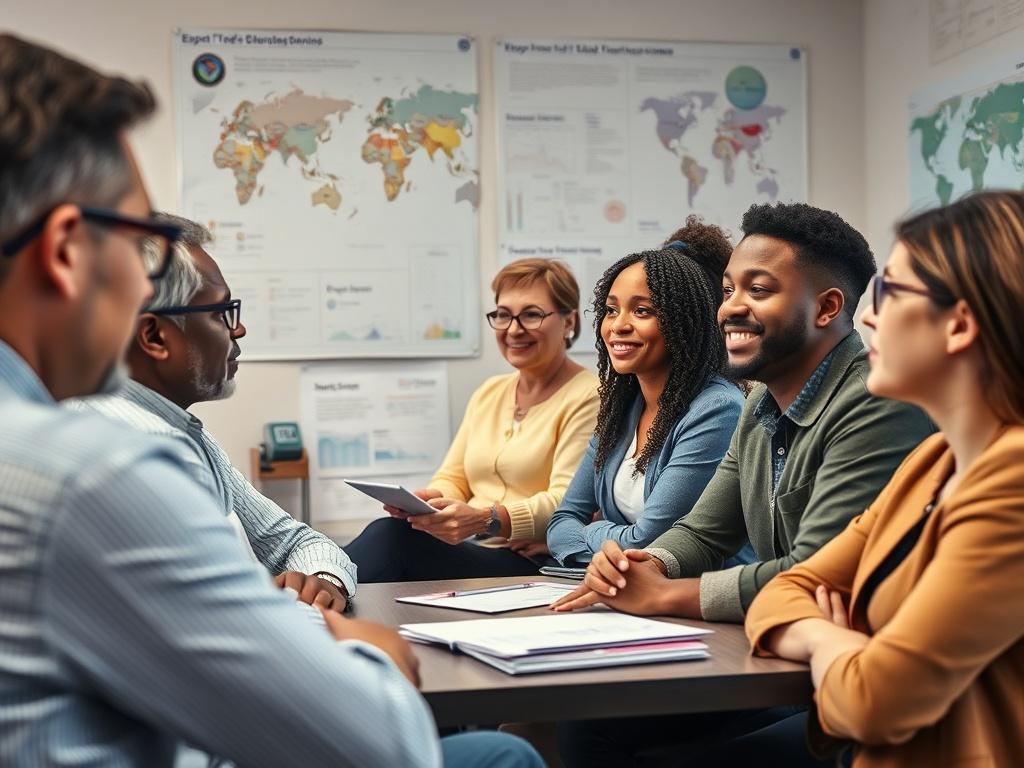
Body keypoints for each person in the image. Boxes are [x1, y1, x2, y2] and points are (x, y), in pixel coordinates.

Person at [0, 33, 541, 768]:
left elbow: (291, 547)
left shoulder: (138, 442)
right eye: (144, 245)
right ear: (66, 252)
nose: (137, 287)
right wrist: (364, 647)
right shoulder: (89, 471)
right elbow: (377, 744)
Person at [551, 202, 935, 767]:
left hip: (859, 676)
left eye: (758, 290)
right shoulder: (759, 403)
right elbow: (703, 534)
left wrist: (666, 593)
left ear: (828, 307)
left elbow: (816, 571)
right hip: (786, 652)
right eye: (728, 289)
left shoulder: (874, 403)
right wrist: (647, 564)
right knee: (589, 728)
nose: (731, 308)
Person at [743, 191, 1024, 768]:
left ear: (960, 325)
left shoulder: (1013, 480)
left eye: (889, 293)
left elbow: (877, 702)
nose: (867, 316)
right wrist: (841, 644)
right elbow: (780, 594)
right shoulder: (931, 462)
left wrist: (829, 642)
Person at [69, 213, 356, 612]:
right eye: (220, 312)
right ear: (154, 336)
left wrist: (323, 582)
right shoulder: (139, 451)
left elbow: (294, 541)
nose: (238, 330)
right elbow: (220, 619)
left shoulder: (189, 435)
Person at [346, 258, 598, 581]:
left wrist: (486, 519)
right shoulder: (489, 392)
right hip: (476, 546)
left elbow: (566, 501)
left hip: (533, 562)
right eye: (503, 315)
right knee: (395, 530)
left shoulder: (590, 395)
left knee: (391, 541)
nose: (513, 329)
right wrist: (430, 506)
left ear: (569, 322)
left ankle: (313, 594)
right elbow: (454, 478)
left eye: (532, 315)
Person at [547, 218, 744, 565]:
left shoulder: (718, 409)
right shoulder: (623, 410)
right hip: (625, 591)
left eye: (642, 311)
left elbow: (651, 540)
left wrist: (594, 532)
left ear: (683, 322)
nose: (619, 325)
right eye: (611, 310)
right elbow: (561, 524)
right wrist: (606, 550)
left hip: (699, 599)